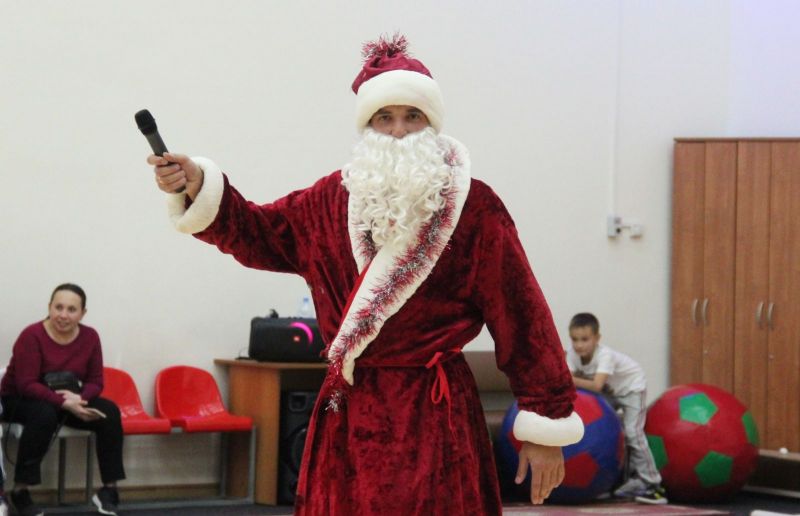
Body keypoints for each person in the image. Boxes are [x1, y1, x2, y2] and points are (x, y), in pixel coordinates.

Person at [148, 35, 583, 514]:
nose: (398, 131)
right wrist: (198, 186)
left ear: (431, 124)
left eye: (412, 116)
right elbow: (259, 232)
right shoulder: (328, 201)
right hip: (349, 411)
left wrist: (545, 422)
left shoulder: (474, 208)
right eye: (384, 117)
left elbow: (521, 314)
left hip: (435, 413)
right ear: (367, 126)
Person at [1, 284, 124, 516]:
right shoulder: (31, 335)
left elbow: (96, 381)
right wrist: (65, 404)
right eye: (58, 307)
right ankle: (20, 490)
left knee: (109, 411)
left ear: (83, 313)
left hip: (66, 399)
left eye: (71, 309)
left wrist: (80, 399)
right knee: (44, 414)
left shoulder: (90, 337)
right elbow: (26, 384)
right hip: (20, 400)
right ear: (49, 307)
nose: (63, 315)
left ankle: (109, 489)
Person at [566, 312, 667, 505]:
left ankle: (653, 484)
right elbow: (569, 382)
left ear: (597, 338)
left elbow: (596, 385)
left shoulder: (605, 355)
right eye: (574, 339)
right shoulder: (572, 354)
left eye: (585, 339)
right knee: (605, 432)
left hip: (631, 388)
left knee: (633, 433)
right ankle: (615, 482)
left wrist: (569, 379)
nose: (579, 345)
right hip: (610, 392)